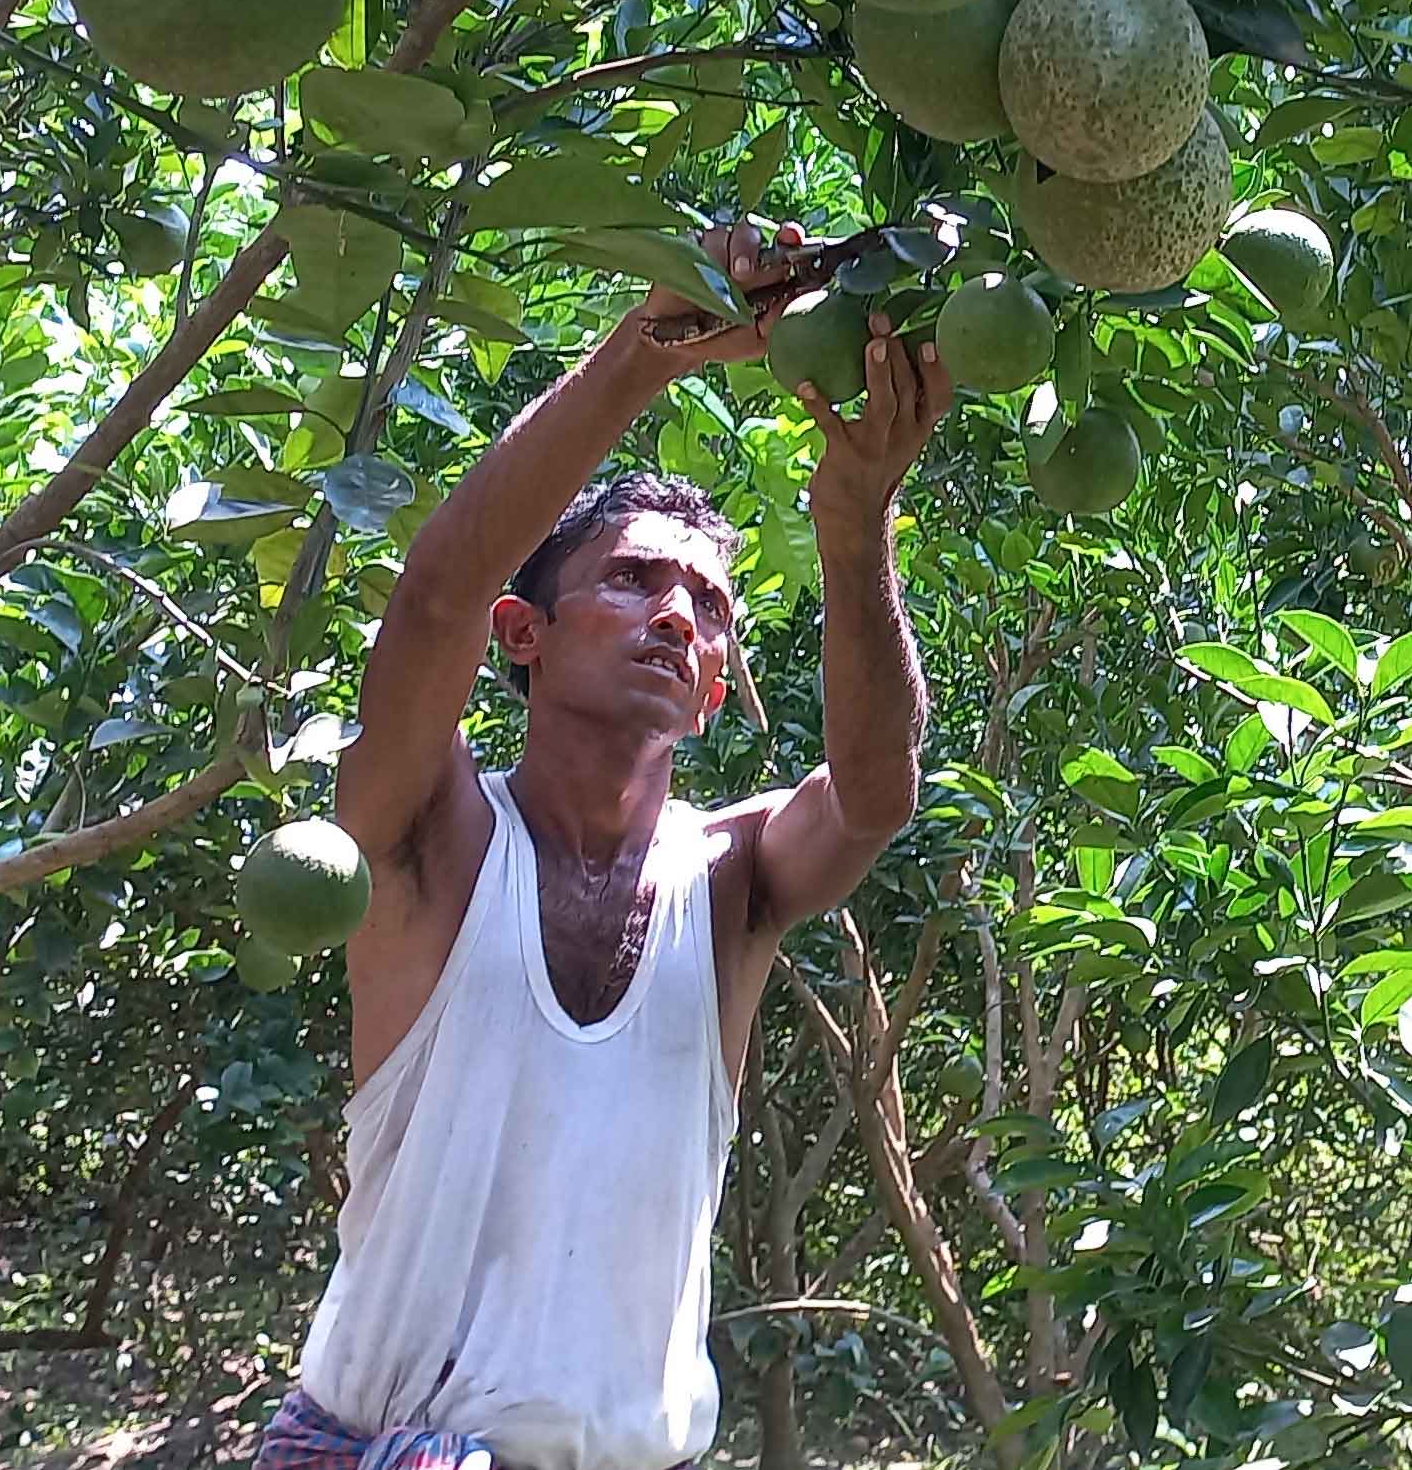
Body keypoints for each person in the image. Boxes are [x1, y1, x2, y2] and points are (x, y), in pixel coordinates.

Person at [253, 221, 948, 1470]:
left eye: (710, 608)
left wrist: (856, 525)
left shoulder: (731, 877)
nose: (678, 614)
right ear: (523, 631)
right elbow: (430, 600)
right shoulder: (430, 833)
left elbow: (873, 793)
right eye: (633, 579)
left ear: (718, 693)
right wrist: (642, 353)